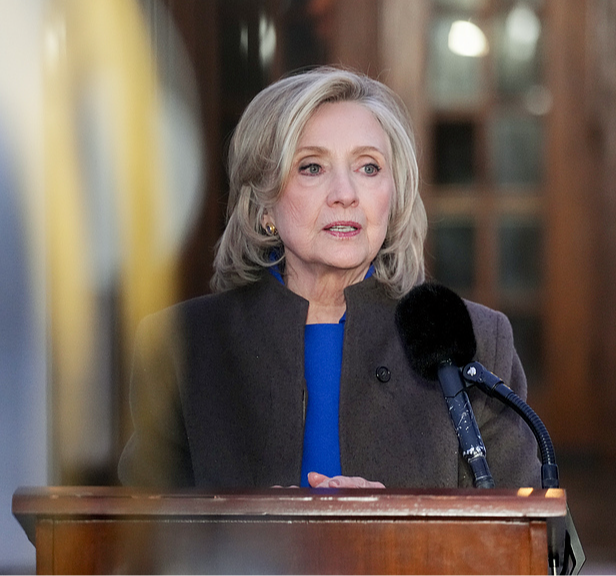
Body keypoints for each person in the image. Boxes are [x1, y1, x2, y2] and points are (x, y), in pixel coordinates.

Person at [117, 67, 541, 489]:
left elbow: (528, 542)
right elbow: (142, 540)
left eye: (369, 168)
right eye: (312, 167)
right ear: (264, 205)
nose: (345, 193)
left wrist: (392, 530)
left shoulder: (478, 340)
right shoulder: (183, 345)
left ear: (393, 198)